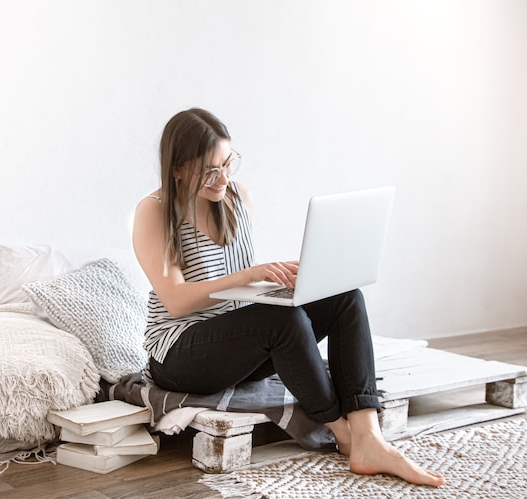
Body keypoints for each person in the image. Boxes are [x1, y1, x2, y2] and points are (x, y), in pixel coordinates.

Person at [132, 107, 445, 487]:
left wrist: (287, 286)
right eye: (210, 171)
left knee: (344, 297)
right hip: (179, 353)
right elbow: (177, 300)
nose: (223, 178)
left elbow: (239, 296)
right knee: (280, 321)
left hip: (237, 346)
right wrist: (252, 274)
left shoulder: (236, 197)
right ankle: (342, 432)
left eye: (228, 164)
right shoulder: (155, 211)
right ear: (178, 169)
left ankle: (368, 435)